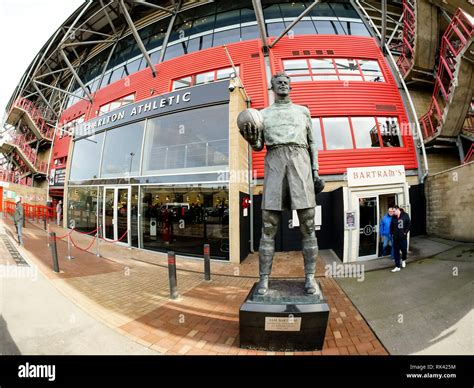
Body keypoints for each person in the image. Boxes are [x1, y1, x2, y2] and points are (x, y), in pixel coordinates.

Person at [240, 72, 325, 295]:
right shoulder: (262, 115)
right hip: (275, 161)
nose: (283, 84)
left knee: (307, 223)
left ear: (291, 86)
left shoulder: (303, 111)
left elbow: (312, 144)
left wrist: (316, 171)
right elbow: (259, 146)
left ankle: (310, 278)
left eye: (287, 82)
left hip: (300, 161)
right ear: (272, 87)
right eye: (279, 82)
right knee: (268, 225)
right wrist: (251, 140)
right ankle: (264, 280)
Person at [390, 206, 411, 272]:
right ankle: (397, 266)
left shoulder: (405, 215)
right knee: (396, 252)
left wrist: (405, 232)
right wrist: (392, 233)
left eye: (394, 211)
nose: (393, 213)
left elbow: (409, 225)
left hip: (403, 237)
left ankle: (403, 260)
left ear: (398, 210)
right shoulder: (393, 217)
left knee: (404, 250)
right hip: (395, 238)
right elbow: (391, 226)